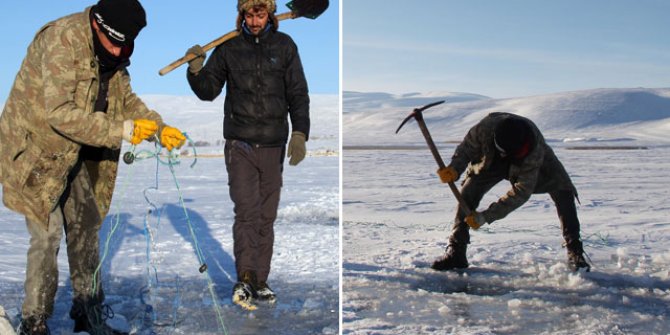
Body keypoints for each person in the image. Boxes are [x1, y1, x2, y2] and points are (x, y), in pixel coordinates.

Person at [0, 0, 186, 334]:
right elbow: (59, 113)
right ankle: (35, 320)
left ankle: (88, 310)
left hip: (75, 151)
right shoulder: (63, 40)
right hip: (35, 150)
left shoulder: (114, 54)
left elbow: (127, 100)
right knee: (47, 232)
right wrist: (121, 130)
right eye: (113, 41)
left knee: (87, 224)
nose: (118, 51)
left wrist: (157, 128)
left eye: (125, 45)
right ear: (97, 26)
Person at [184, 0, 310, 308]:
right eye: (250, 15)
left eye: (261, 14)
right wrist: (195, 68)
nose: (255, 21)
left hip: (273, 144)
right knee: (247, 213)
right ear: (242, 15)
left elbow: (297, 92)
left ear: (269, 14)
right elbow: (208, 90)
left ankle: (261, 280)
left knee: (266, 216)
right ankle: (245, 278)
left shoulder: (285, 46)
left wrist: (300, 132)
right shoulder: (228, 47)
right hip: (239, 143)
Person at [431, 112, 590, 272]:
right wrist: (454, 169)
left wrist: (485, 216)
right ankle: (456, 251)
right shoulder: (484, 129)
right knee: (467, 194)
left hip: (529, 165)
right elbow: (466, 149)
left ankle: (575, 251)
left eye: (508, 153)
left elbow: (521, 192)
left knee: (563, 190)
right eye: (502, 151)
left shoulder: (534, 152)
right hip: (490, 162)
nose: (504, 155)